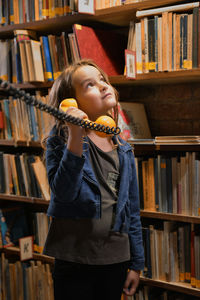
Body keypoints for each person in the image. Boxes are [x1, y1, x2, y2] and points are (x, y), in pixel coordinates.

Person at [43, 59, 144, 300]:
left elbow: (131, 210)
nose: (102, 86)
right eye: (89, 84)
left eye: (102, 79)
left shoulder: (123, 148)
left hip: (115, 259)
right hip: (74, 259)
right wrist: (75, 135)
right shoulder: (60, 141)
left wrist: (137, 263)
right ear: (72, 102)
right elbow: (63, 194)